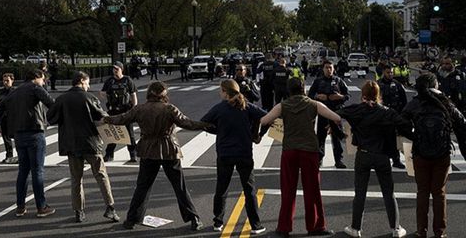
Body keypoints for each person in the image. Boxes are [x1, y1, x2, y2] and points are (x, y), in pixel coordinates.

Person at [103, 81, 211, 231]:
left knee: (142, 186)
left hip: (148, 149)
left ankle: (132, 220)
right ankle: (194, 219)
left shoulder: (140, 109)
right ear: (164, 94)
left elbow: (121, 119)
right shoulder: (169, 109)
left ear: (149, 93)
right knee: (179, 186)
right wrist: (206, 124)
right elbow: (187, 123)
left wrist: (105, 118)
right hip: (168, 148)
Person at [261, 78, 341, 237]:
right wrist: (331, 127)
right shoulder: (314, 104)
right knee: (312, 190)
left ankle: (284, 228)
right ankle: (315, 226)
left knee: (288, 190)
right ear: (303, 89)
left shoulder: (282, 105)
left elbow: (264, 120)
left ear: (289, 90)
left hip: (289, 149)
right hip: (309, 150)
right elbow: (336, 117)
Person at [338, 81, 410, 238]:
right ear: (379, 95)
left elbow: (337, 114)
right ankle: (395, 228)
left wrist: (337, 131)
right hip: (382, 155)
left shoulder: (356, 110)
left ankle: (356, 228)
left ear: (363, 94)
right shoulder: (387, 112)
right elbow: (404, 125)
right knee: (388, 193)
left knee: (360, 193)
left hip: (363, 153)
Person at [47, 71, 120, 223]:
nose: (88, 85)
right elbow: (102, 116)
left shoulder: (61, 99)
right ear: (81, 81)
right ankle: (110, 208)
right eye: (87, 82)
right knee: (101, 176)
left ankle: (79, 211)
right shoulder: (89, 98)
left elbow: (51, 118)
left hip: (71, 144)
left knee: (76, 179)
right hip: (91, 142)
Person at [401, 73, 466, 238]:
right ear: (435, 84)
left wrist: (415, 136)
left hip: (420, 153)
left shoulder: (416, 102)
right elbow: (462, 122)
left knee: (422, 192)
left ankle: (421, 231)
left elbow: (400, 123)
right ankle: (440, 232)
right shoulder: (445, 102)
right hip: (442, 153)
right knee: (439, 193)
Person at [201, 79, 267, 234]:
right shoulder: (248, 106)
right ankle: (256, 225)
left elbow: (203, 122)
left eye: (220, 90)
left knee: (222, 188)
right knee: (249, 190)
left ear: (225, 91)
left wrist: (218, 130)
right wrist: (257, 134)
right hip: (244, 152)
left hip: (225, 153)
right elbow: (268, 118)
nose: (220, 93)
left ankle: (218, 222)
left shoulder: (219, 108)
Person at [0, 69, 56, 218]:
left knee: (23, 171)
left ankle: (20, 206)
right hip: (35, 132)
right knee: (37, 171)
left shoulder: (14, 92)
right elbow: (51, 103)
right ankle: (41, 206)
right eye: (43, 79)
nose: (44, 82)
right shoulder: (35, 88)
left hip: (18, 135)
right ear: (37, 77)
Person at [308, 60, 349, 168]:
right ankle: (319, 159)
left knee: (337, 139)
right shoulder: (318, 81)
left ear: (334, 69)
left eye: (331, 68)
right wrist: (317, 96)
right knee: (320, 138)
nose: (329, 70)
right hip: (323, 113)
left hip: (336, 113)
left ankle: (338, 160)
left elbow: (347, 95)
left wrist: (340, 97)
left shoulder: (339, 81)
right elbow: (310, 95)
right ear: (323, 69)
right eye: (326, 67)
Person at [101, 62, 137, 162]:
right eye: (113, 69)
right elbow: (102, 92)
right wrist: (110, 96)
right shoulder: (110, 81)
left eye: (117, 69)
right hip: (113, 110)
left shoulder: (127, 80)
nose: (115, 70)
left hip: (126, 110)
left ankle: (133, 154)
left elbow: (133, 94)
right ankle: (109, 154)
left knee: (129, 134)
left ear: (122, 69)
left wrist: (134, 108)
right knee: (113, 132)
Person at [378, 65, 408, 169]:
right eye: (388, 72)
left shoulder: (397, 84)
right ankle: (382, 160)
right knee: (381, 139)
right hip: (382, 116)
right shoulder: (378, 85)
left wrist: (403, 115)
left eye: (391, 72)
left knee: (395, 140)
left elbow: (404, 100)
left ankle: (396, 160)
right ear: (383, 73)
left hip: (395, 116)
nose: (390, 74)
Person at [0, 73, 17, 164]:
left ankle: (20, 155)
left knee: (16, 136)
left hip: (12, 116)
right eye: (4, 81)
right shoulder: (0, 91)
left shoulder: (15, 91)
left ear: (12, 80)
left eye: (7, 80)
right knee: (6, 137)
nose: (5, 82)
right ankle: (9, 155)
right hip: (3, 116)